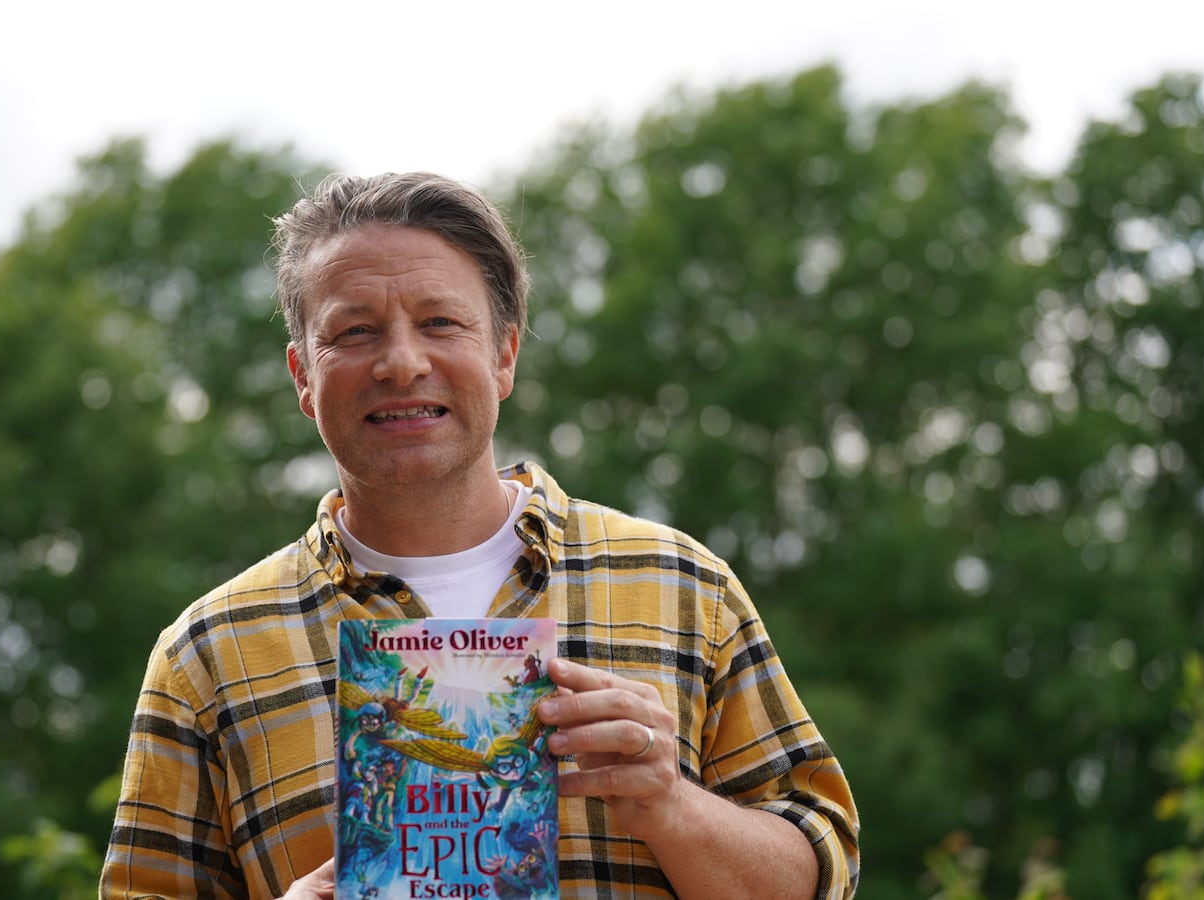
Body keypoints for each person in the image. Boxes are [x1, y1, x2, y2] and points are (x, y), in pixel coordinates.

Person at [100, 173, 859, 899]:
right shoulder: (206, 657)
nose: (401, 362)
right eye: (355, 332)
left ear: (504, 354)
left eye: (440, 323)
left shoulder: (683, 587)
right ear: (303, 376)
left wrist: (669, 802)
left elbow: (823, 878)